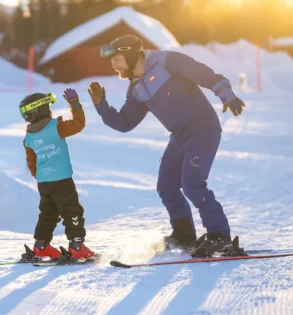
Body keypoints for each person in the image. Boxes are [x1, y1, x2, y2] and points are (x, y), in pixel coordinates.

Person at [88, 35, 245, 258]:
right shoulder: (136, 89)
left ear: (131, 54)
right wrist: (100, 105)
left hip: (202, 128)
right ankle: (184, 235)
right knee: (167, 187)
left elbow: (202, 73)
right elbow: (125, 123)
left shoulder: (166, 61)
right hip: (179, 136)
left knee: (192, 185)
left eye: (116, 58)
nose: (112, 64)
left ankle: (220, 237)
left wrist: (225, 93)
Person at [21, 89, 96, 259]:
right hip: (61, 180)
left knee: (48, 213)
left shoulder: (29, 137)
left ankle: (41, 245)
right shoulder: (56, 127)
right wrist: (74, 104)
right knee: (72, 211)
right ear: (43, 110)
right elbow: (79, 123)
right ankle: (76, 246)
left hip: (44, 182)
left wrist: (42, 176)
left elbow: (31, 162)